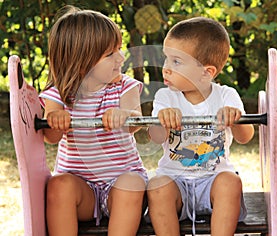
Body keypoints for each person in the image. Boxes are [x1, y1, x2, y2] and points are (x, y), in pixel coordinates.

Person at [39, 6, 147, 236]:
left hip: (122, 186)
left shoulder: (124, 86)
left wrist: (124, 116)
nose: (121, 57)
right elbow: (50, 137)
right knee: (59, 186)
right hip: (81, 192)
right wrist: (56, 119)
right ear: (80, 61)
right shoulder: (59, 93)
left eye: (119, 48)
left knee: (131, 184)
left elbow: (136, 120)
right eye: (110, 54)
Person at [146, 17, 255, 236]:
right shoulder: (165, 97)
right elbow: (156, 137)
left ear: (207, 72)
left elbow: (246, 137)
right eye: (166, 59)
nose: (166, 68)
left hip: (213, 180)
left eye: (176, 62)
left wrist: (235, 119)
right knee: (157, 186)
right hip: (175, 180)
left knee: (231, 181)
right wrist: (162, 121)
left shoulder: (226, 95)